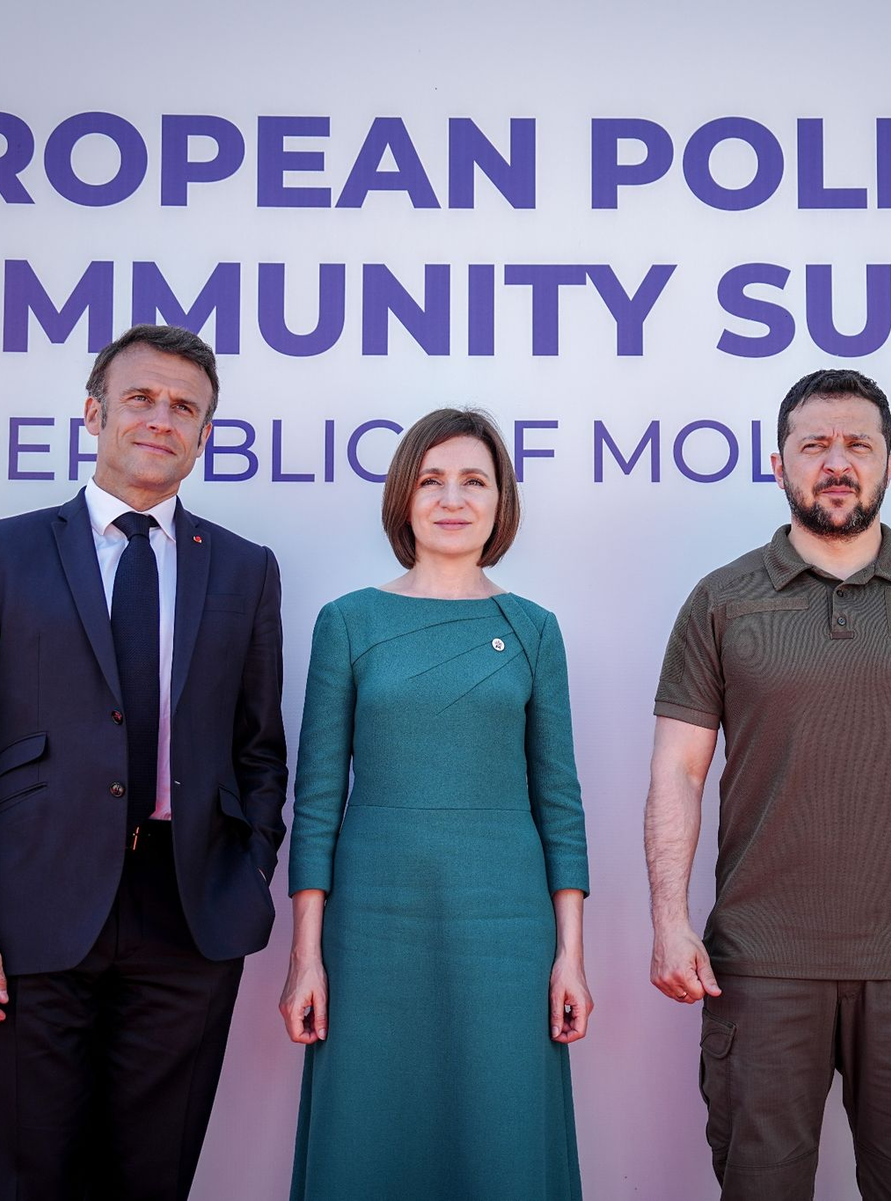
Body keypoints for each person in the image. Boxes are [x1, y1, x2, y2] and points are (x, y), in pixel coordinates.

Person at [645, 368, 891, 1200]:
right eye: (814, 443)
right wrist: (669, 922)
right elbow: (678, 769)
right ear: (778, 462)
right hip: (758, 963)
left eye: (858, 443)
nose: (837, 460)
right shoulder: (722, 599)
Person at [0, 324, 288, 1200]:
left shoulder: (243, 568)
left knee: (151, 1178)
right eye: (142, 398)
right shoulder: (3, 553)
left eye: (184, 407)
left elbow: (258, 748)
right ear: (94, 413)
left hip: (189, 915)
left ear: (203, 434)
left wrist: (249, 870)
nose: (162, 418)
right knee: (21, 1174)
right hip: (29, 914)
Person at [280, 407, 591, 1201]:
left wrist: (571, 954)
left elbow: (559, 800)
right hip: (374, 926)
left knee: (504, 1130)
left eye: (474, 481)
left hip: (506, 932)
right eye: (432, 480)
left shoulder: (533, 630)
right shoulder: (348, 621)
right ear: (404, 498)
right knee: (368, 1134)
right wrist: (305, 955)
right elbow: (316, 800)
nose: (453, 498)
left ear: (500, 501)